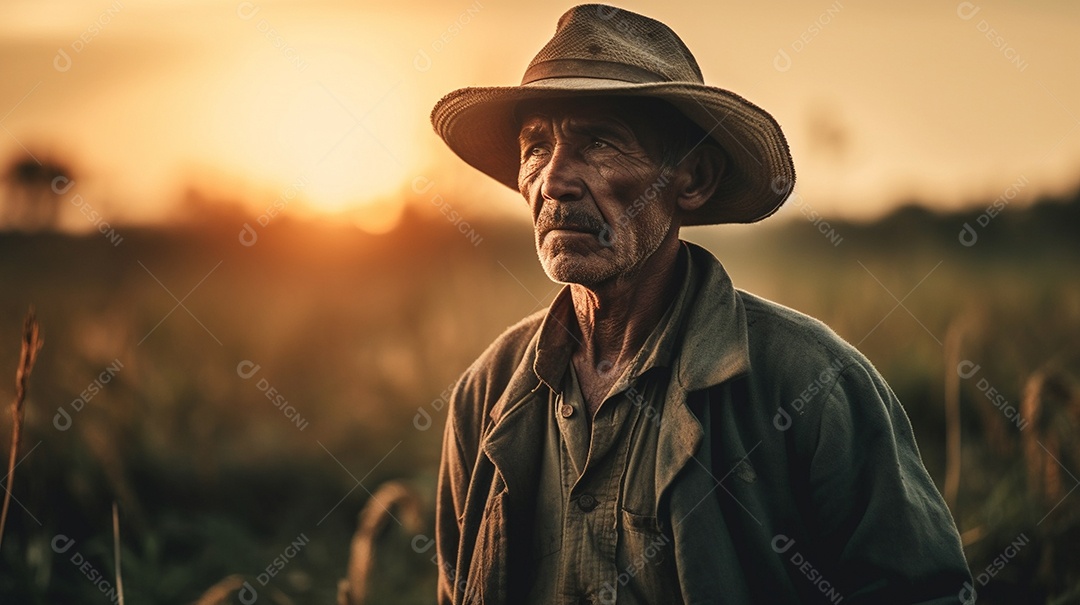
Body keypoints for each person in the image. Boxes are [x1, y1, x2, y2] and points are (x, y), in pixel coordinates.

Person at [429, 4, 972, 604]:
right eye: (536, 147)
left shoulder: (810, 383)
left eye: (599, 142)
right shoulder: (486, 394)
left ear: (692, 180)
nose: (555, 179)